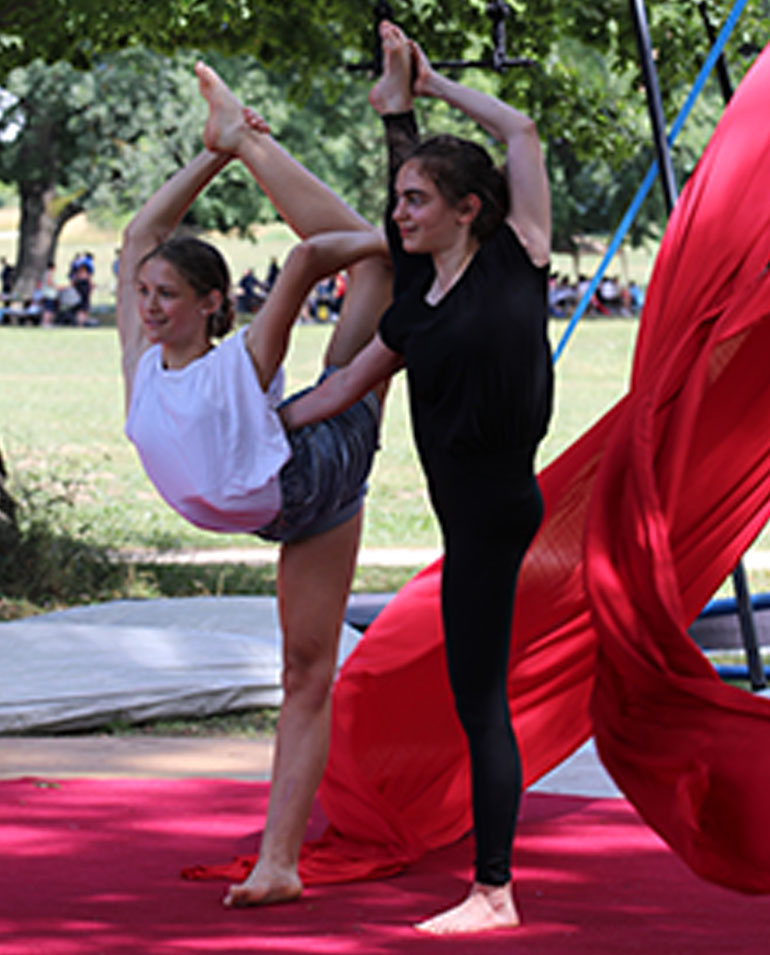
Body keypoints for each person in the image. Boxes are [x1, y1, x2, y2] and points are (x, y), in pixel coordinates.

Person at [280, 21, 553, 935]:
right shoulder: (411, 311)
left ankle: (494, 891)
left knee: (481, 703)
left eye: (417, 200)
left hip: (496, 516)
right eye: (397, 197)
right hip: (466, 516)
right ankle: (389, 110)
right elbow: (345, 386)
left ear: (467, 208)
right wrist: (259, 430)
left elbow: (518, 134)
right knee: (471, 697)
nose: (398, 211)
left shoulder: (518, 259)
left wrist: (435, 90)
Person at [116, 62, 393, 908]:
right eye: (145, 295)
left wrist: (395, 240)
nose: (149, 304)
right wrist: (214, 156)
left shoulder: (240, 363)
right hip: (272, 501)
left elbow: (312, 255)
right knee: (303, 672)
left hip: (314, 476)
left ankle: (411, 301)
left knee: (375, 281)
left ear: (210, 303)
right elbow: (138, 236)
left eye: (167, 295)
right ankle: (278, 865)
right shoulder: (141, 368)